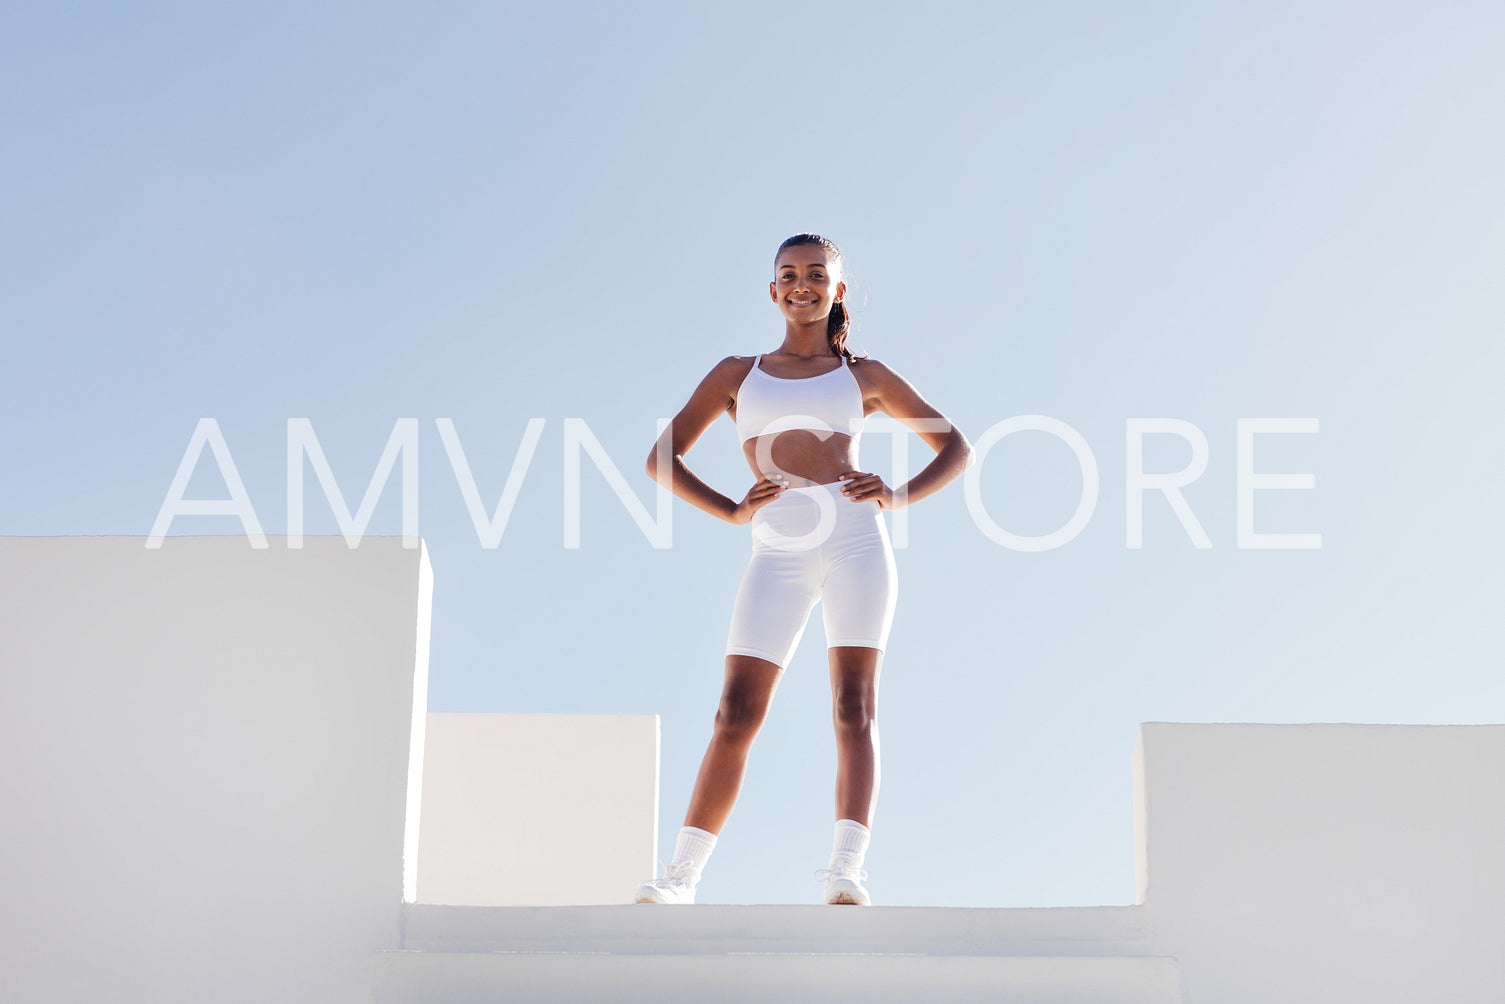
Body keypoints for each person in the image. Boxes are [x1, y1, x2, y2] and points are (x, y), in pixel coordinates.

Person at [634, 233, 972, 906]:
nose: (802, 285)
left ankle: (846, 870)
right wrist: (731, 511)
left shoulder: (865, 377)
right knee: (735, 711)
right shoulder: (736, 373)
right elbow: (661, 459)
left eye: (816, 275)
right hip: (777, 552)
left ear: (836, 290)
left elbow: (954, 445)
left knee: (854, 706)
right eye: (788, 275)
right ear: (772, 290)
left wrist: (897, 496)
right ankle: (681, 877)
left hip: (854, 540)